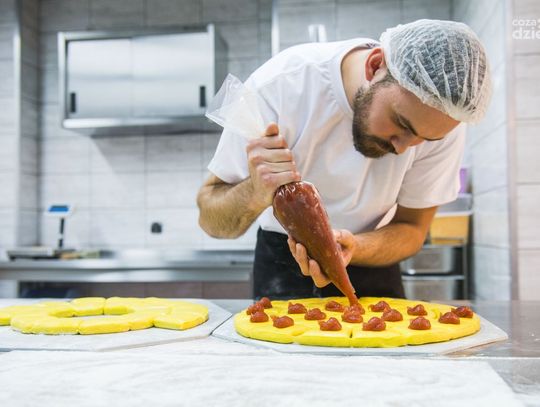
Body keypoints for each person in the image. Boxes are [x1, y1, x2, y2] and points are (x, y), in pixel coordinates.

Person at [197, 19, 491, 300]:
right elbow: (211, 221)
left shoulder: (446, 119)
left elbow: (413, 228)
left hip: (373, 256)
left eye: (425, 139)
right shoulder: (280, 86)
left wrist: (353, 247)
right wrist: (254, 191)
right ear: (375, 65)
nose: (403, 149)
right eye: (401, 124)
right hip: (282, 264)